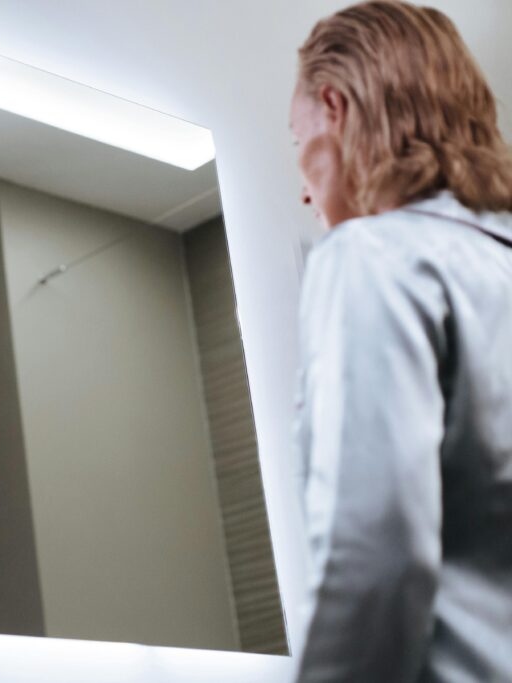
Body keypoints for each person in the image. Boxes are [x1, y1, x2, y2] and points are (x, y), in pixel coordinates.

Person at [289, 2, 512, 681]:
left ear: (335, 108)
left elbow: (375, 553)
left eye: (296, 140)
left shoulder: (371, 257)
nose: (304, 194)